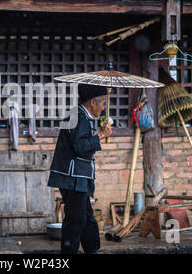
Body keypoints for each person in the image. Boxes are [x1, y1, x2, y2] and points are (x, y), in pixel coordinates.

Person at [47, 84, 113, 254]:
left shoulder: (84, 116)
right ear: (93, 102)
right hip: (72, 176)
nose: (104, 107)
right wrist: (101, 135)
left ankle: (93, 249)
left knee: (87, 217)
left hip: (79, 176)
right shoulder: (78, 116)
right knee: (75, 220)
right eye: (103, 103)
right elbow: (80, 146)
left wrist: (99, 132)